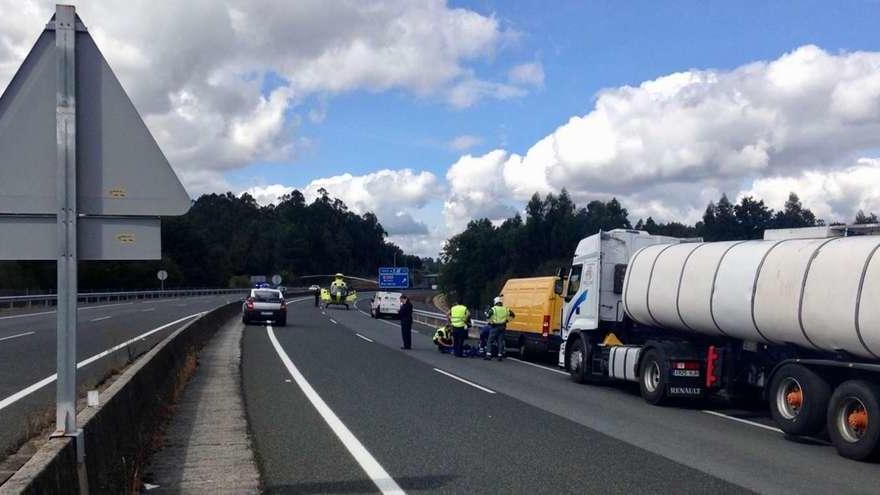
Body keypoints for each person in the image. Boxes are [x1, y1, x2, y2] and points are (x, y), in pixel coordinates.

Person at [484, 296, 515, 361]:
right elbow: (513, 315)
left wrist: (490, 322)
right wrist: (507, 320)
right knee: (500, 341)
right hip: (503, 326)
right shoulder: (506, 309)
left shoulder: (493, 309)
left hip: (495, 326)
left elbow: (488, 316)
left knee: (490, 341)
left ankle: (488, 355)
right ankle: (500, 355)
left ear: (495, 302)